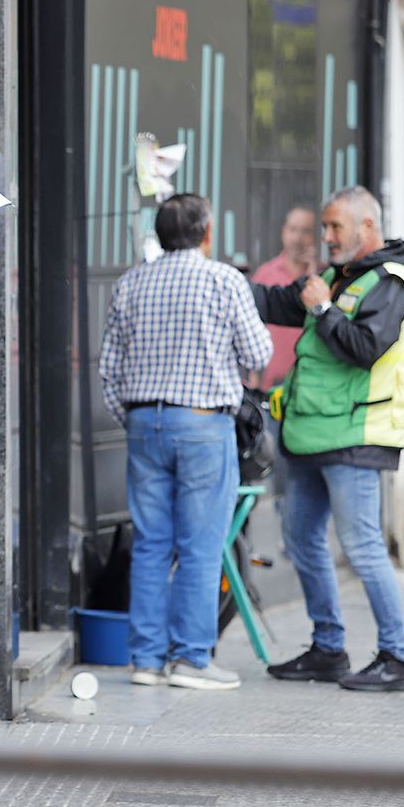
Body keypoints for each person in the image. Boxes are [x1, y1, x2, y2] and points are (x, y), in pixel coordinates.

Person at [99, 193, 272, 692]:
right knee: (200, 545)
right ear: (207, 233)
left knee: (152, 543)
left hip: (143, 424)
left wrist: (132, 418)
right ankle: (192, 659)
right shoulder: (223, 280)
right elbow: (258, 350)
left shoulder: (131, 282)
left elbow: (109, 368)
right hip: (202, 424)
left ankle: (146, 660)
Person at [252, 186, 404, 693]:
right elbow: (278, 301)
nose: (325, 237)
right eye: (324, 227)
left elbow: (365, 349)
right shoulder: (332, 277)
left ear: (367, 228)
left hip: (357, 435)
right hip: (311, 433)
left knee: (364, 546)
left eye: (334, 227)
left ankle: (398, 657)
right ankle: (329, 648)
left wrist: (325, 311)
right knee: (302, 537)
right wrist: (217, 277)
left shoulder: (391, 283)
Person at [249, 205, 318, 388]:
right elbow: (252, 326)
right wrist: (253, 376)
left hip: (311, 382)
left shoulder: (322, 276)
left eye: (305, 231)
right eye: (293, 229)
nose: (297, 238)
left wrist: (313, 272)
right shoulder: (266, 274)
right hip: (272, 381)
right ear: (283, 232)